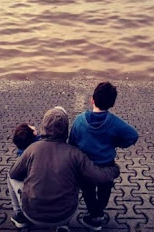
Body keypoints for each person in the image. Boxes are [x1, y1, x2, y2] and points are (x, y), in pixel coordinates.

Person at [7, 106, 120, 232]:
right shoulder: (75, 153)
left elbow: (13, 173)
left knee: (10, 174)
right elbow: (99, 176)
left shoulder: (32, 149)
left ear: (44, 125)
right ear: (66, 129)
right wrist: (114, 169)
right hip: (65, 214)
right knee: (77, 175)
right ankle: (63, 226)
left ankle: (20, 216)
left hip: (33, 214)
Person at [69, 81, 139, 231]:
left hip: (85, 166)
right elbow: (133, 136)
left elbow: (72, 142)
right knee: (104, 190)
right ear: (112, 104)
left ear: (92, 100)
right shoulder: (115, 122)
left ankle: (93, 216)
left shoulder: (79, 120)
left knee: (88, 191)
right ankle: (99, 213)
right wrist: (116, 143)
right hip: (107, 165)